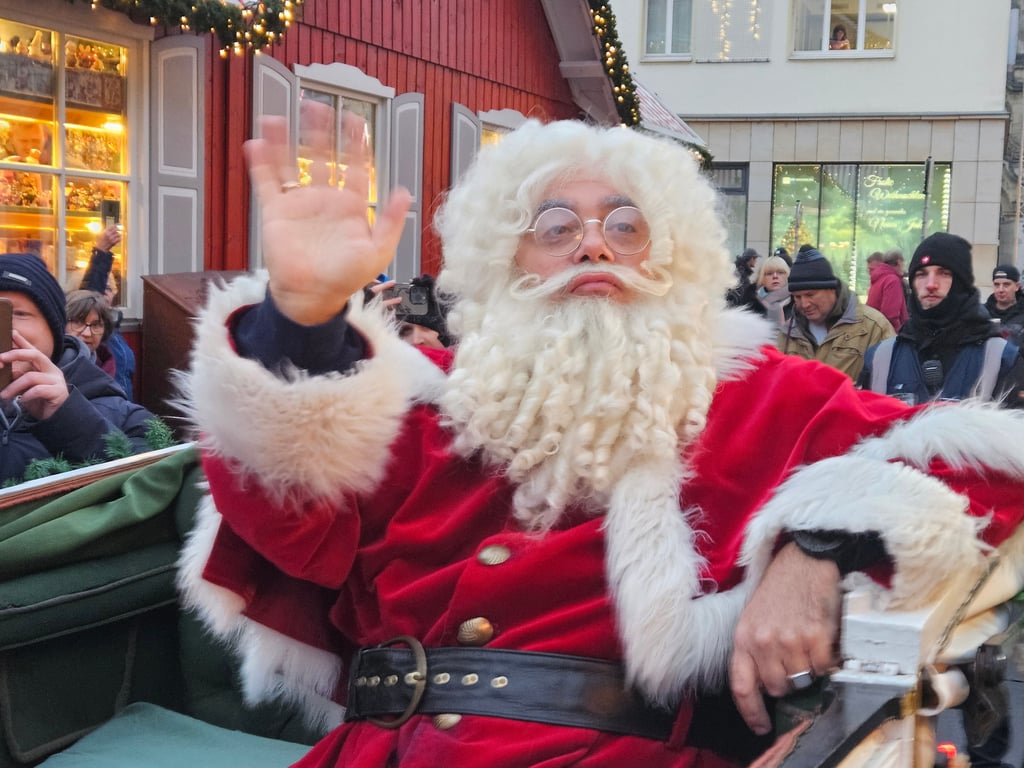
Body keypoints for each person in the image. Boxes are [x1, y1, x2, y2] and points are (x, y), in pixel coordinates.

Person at [177, 115, 1024, 768]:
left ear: (673, 257)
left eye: (626, 225)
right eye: (555, 227)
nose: (594, 242)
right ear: (508, 263)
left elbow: (981, 462)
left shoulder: (760, 393)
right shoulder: (429, 403)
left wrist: (820, 543)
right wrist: (301, 320)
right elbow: (283, 503)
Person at [0, 253, 159, 484]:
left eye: (20, 314)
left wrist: (67, 417)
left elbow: (159, 479)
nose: (5, 330)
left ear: (54, 328)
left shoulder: (109, 404)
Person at [861, 233, 1024, 408]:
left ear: (961, 282)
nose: (931, 284)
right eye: (921, 274)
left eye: (944, 273)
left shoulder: (1000, 357)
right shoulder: (881, 358)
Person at [777, 245, 893, 379]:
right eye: (797, 297)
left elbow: (891, 384)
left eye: (810, 295)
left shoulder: (874, 327)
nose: (804, 304)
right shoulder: (787, 334)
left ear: (832, 290)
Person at [79, 224, 136, 399]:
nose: (104, 292)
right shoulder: (90, 328)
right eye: (102, 287)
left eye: (109, 289)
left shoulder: (114, 330)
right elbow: (91, 292)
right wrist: (100, 252)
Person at [65, 289, 117, 379]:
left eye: (96, 325)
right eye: (78, 322)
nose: (87, 333)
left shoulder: (107, 368)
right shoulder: (41, 365)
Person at [866, 250, 908, 332]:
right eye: (903, 263)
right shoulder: (892, 280)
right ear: (899, 262)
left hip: (873, 331)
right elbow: (890, 315)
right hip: (887, 334)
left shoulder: (879, 278)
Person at [984, 263, 1024, 344]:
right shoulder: (980, 313)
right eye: (997, 285)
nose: (1000, 290)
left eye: (1006, 284)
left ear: (1017, 286)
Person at [751, 253, 792, 327]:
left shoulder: (798, 303)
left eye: (780, 272)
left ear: (787, 276)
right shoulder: (752, 305)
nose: (775, 276)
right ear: (762, 279)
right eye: (769, 273)